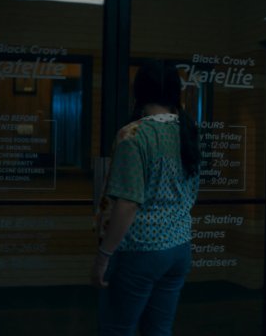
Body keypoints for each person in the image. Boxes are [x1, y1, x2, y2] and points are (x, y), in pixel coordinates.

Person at [90, 60, 201, 336]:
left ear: (138, 91)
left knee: (117, 329)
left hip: (140, 249)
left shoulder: (133, 135)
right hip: (179, 247)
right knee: (159, 330)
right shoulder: (188, 131)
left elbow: (128, 203)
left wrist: (104, 256)